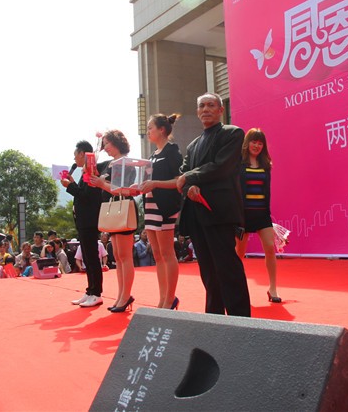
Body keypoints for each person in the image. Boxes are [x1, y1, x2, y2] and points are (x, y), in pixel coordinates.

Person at [176, 92, 251, 317]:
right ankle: (214, 317)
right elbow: (182, 175)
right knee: (207, 270)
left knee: (227, 266)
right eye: (202, 106)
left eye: (211, 105)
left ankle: (240, 319)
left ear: (220, 110)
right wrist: (189, 188)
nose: (206, 109)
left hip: (219, 211)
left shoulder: (233, 133)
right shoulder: (193, 145)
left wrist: (190, 178)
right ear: (197, 112)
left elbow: (222, 166)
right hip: (196, 213)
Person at [90, 130, 138, 313]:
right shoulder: (112, 163)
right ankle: (121, 295)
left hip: (123, 208)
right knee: (118, 256)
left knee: (125, 256)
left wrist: (102, 184)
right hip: (114, 209)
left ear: (117, 142)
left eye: (107, 143)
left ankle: (125, 295)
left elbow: (123, 189)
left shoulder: (125, 163)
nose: (105, 148)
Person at [139, 113, 183, 309]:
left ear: (162, 129)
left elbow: (179, 180)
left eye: (151, 128)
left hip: (165, 206)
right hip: (150, 205)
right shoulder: (152, 155)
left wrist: (155, 183)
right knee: (157, 254)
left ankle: (170, 298)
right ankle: (163, 297)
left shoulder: (172, 151)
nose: (148, 131)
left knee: (167, 253)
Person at [235, 128, 282, 303]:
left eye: (260, 143)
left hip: (262, 214)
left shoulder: (265, 165)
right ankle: (236, 287)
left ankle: (273, 288)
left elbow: (266, 191)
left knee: (270, 248)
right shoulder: (238, 164)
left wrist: (267, 213)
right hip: (243, 215)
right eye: (254, 142)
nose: (257, 146)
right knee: (239, 253)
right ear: (247, 143)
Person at [61, 140, 109, 308]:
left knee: (92, 257)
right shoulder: (85, 171)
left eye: (75, 155)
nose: (74, 158)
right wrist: (73, 183)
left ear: (82, 154)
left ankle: (96, 293)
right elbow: (83, 193)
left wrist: (70, 186)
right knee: (87, 257)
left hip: (89, 220)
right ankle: (90, 290)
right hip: (83, 220)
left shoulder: (91, 170)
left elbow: (87, 196)